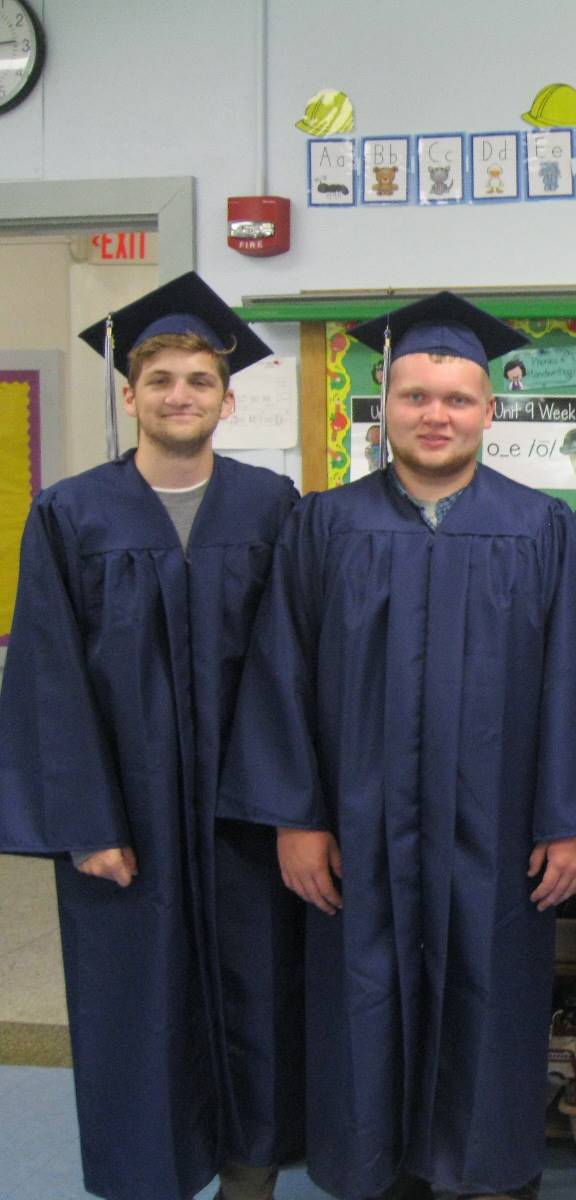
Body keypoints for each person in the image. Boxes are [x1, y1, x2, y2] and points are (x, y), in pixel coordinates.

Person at [218, 292, 576, 1200]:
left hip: (497, 843)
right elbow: (280, 674)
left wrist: (575, 822)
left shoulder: (539, 530)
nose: (435, 415)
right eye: (414, 397)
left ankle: (489, 1178)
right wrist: (295, 818)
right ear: (383, 403)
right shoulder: (325, 527)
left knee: (489, 1011)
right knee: (364, 1012)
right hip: (360, 844)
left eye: (455, 398)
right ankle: (382, 1176)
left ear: (490, 409)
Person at [0, 273, 303, 1200]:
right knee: (137, 1007)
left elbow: (298, 664)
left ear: (228, 397)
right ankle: (149, 1180)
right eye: (161, 379)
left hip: (246, 812)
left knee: (258, 994)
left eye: (199, 380)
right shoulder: (70, 513)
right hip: (124, 815)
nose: (181, 395)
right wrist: (85, 823)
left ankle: (251, 1175)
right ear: (130, 395)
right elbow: (47, 675)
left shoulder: (273, 505)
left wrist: (294, 805)